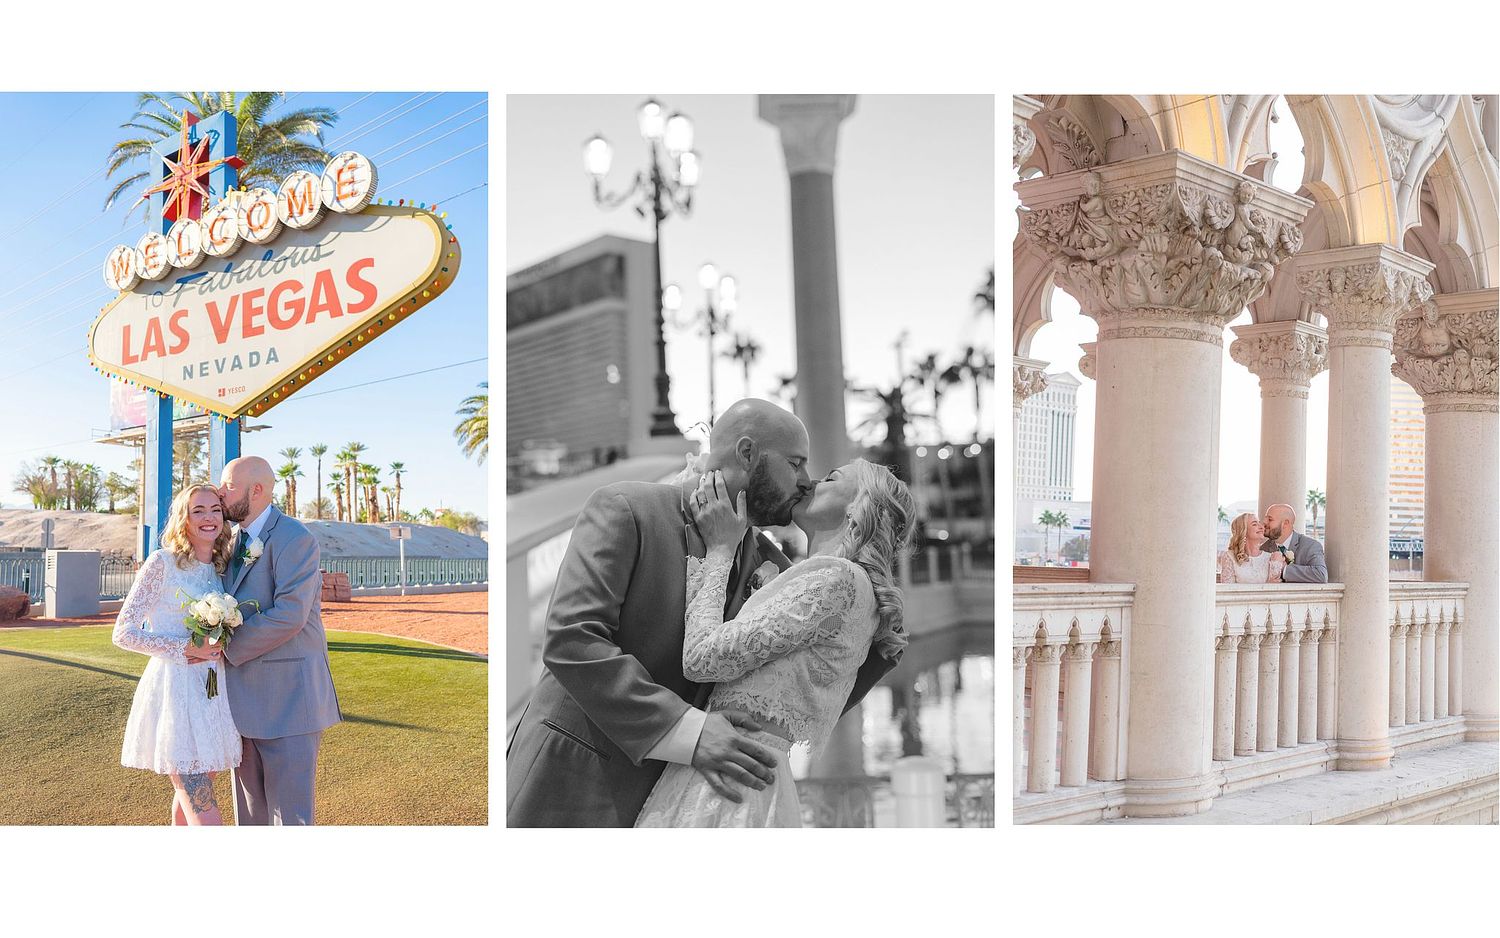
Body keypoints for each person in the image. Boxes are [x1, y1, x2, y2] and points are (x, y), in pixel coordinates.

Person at [506, 399, 901, 827]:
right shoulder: (627, 509)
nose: (806, 481)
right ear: (747, 453)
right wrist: (689, 732)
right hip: (576, 786)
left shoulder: (774, 563)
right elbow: (571, 639)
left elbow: (797, 688)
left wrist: (879, 627)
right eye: (795, 464)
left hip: (697, 800)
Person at [636, 459, 914, 827]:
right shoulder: (835, 582)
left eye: (832, 477)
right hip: (746, 768)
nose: (812, 480)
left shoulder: (838, 579)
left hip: (730, 775)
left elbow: (701, 658)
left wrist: (720, 551)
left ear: (857, 508)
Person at [217, 456, 342, 825]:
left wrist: (223, 647)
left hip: (289, 701)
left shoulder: (295, 539)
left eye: (228, 486)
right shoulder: (231, 540)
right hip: (240, 703)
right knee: (250, 814)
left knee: (290, 818)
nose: (221, 493)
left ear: (256, 491)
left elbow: (290, 614)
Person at [115, 484, 241, 825]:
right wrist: (184, 649)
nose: (209, 517)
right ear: (183, 519)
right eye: (198, 510)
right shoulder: (163, 563)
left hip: (213, 693)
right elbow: (123, 632)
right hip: (176, 692)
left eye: (215, 509)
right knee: (200, 800)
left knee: (191, 798)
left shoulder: (220, 569)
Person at [1261, 503, 1328, 583]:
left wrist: (1284, 569)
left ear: (1285, 523)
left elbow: (1320, 575)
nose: (1264, 522)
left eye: (1270, 519)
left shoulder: (1311, 546)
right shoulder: (1263, 548)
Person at [1217, 512, 1285, 584]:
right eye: (1254, 524)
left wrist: (1276, 562)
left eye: (1259, 523)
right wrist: (1266, 585)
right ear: (1243, 531)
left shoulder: (1272, 557)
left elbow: (1275, 589)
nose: (1262, 527)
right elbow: (1228, 591)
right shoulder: (1229, 557)